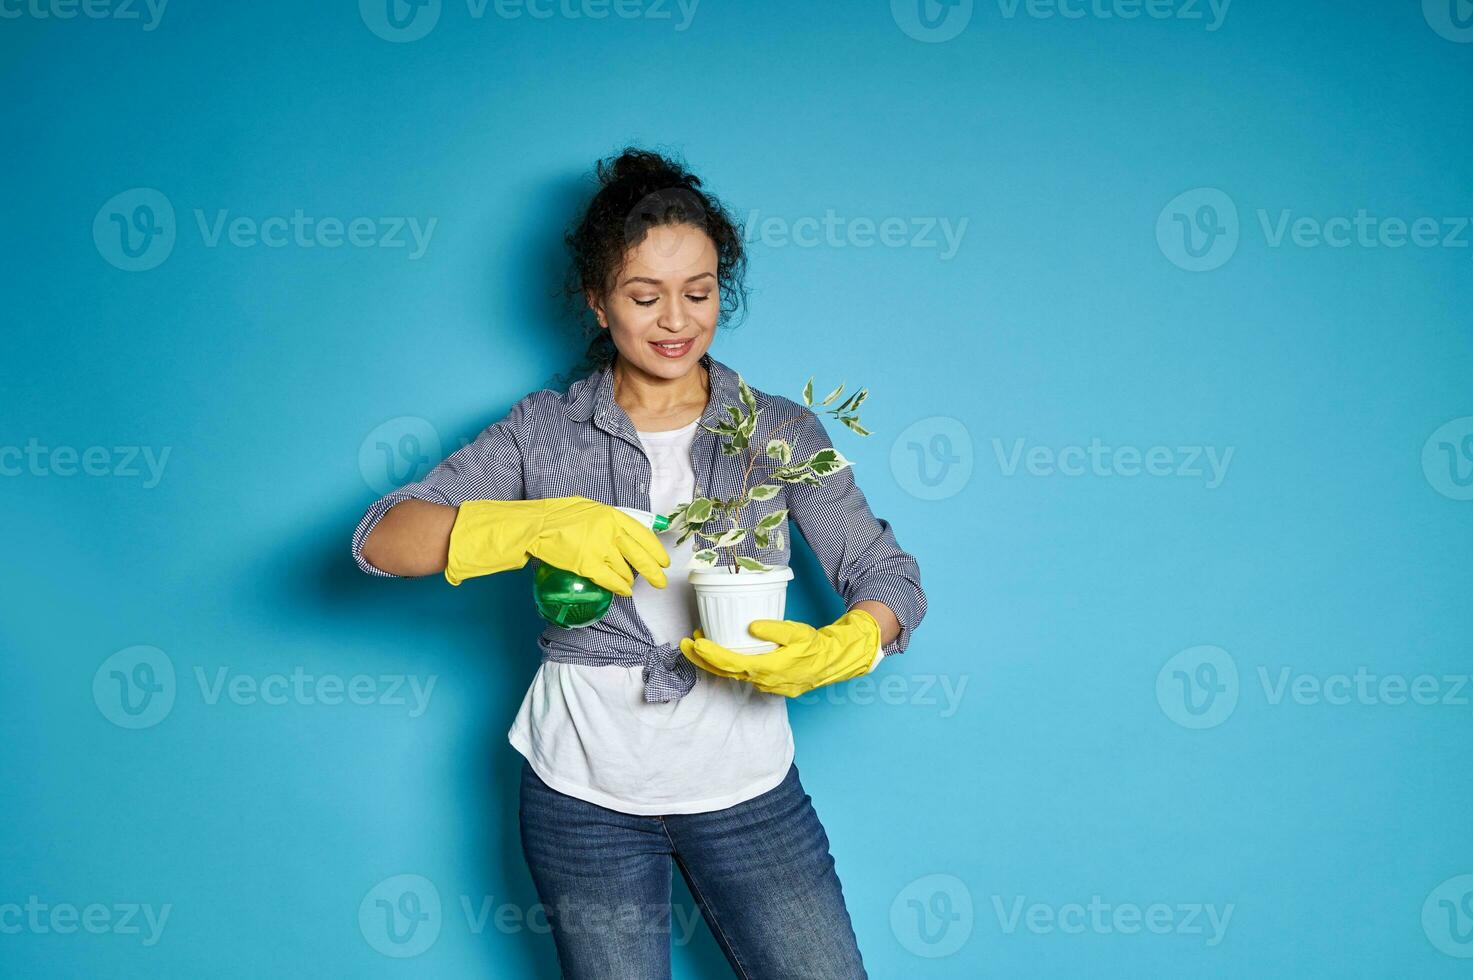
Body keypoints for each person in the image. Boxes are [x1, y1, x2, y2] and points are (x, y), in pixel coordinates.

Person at [351, 146, 927, 979]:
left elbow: (887, 575)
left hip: (747, 792)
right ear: (596, 302)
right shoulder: (541, 431)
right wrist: (531, 525)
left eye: (697, 294)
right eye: (643, 295)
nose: (675, 321)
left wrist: (851, 641)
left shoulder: (777, 434)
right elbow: (381, 539)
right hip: (580, 795)